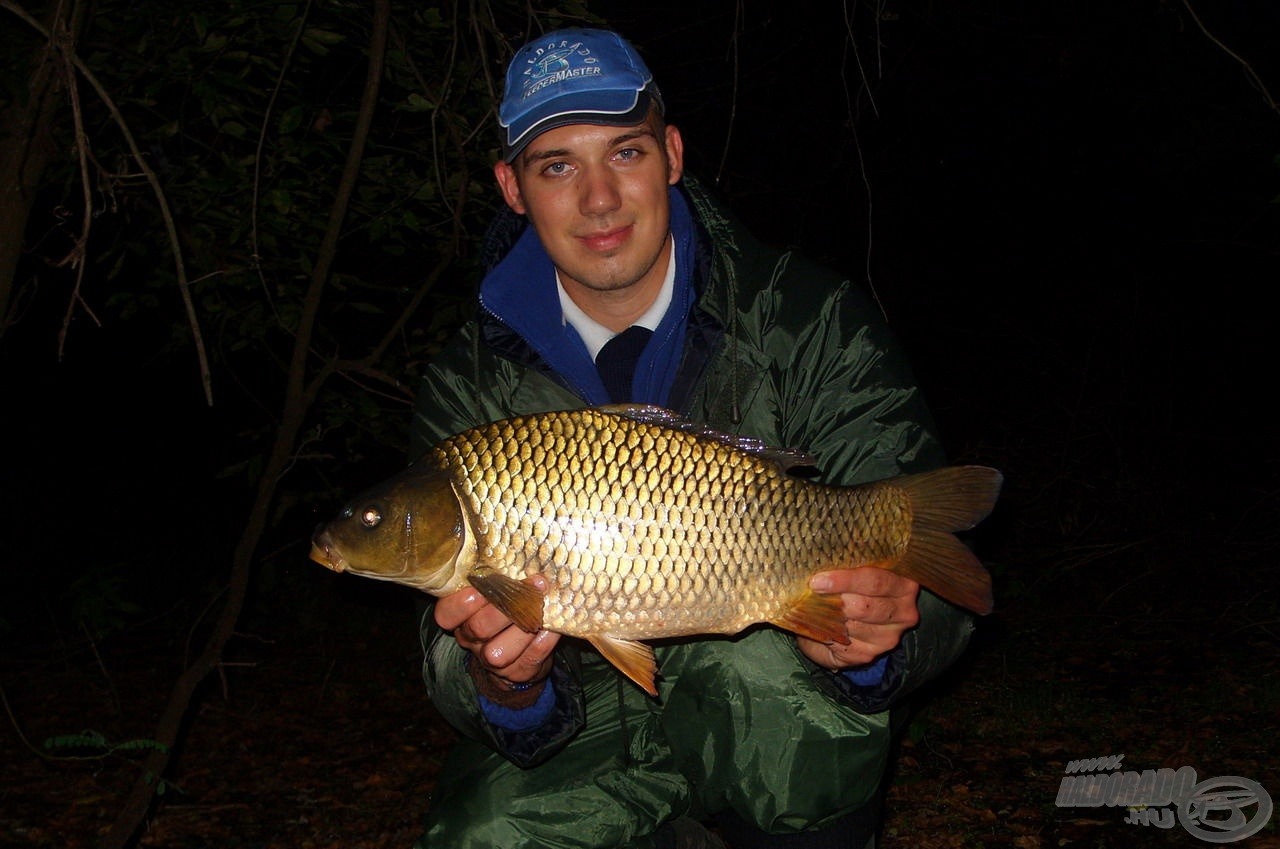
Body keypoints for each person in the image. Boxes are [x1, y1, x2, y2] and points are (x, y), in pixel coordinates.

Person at [408, 27, 975, 849]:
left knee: (799, 752)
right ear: (512, 187)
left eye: (625, 153)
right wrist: (501, 679)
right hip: (587, 717)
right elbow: (442, 647)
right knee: (482, 831)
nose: (599, 198)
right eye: (557, 165)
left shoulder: (809, 319)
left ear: (672, 154)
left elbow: (937, 604)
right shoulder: (465, 384)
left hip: (775, 690)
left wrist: (881, 640)